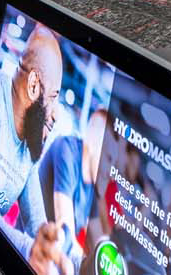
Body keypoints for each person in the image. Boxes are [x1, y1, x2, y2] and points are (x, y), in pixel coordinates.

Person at [0, 23, 71, 275]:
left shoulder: (29, 145)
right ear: (34, 85)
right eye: (55, 95)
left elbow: (35, 219)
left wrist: (48, 247)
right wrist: (28, 250)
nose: (56, 113)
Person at [38, 107, 109, 272]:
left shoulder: (94, 184)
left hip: (53, 263)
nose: (111, 171)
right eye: (109, 158)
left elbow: (99, 241)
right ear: (92, 145)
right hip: (30, 250)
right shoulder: (67, 149)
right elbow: (66, 229)